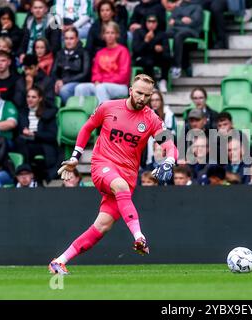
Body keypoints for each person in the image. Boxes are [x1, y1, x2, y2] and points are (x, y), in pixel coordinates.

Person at [48, 74, 178, 275]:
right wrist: (75, 157)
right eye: (139, 92)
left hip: (127, 176)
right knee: (120, 186)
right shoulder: (108, 107)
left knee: (102, 226)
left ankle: (59, 261)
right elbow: (87, 128)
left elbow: (170, 145)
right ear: (130, 90)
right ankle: (139, 237)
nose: (142, 98)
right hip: (103, 166)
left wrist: (169, 161)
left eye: (147, 95)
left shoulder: (151, 119)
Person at [75, 21, 131, 104]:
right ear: (103, 35)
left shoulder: (123, 51)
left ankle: (104, 116)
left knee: (101, 88)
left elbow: (123, 75)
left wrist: (103, 81)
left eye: (112, 33)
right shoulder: (100, 53)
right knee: (80, 88)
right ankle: (82, 114)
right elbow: (95, 72)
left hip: (120, 86)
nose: (110, 35)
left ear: (117, 35)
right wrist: (97, 80)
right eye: (107, 33)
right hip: (101, 84)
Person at [15, 86, 59, 183]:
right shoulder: (22, 112)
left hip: (42, 144)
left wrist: (34, 134)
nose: (30, 99)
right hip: (25, 142)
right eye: (28, 97)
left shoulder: (48, 114)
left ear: (40, 98)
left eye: (33, 97)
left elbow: (52, 136)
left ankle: (31, 177)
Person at [51, 27, 91, 105]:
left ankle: (70, 110)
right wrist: (57, 81)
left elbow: (85, 73)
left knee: (64, 90)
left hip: (78, 82)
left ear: (77, 39)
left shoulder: (84, 52)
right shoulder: (60, 53)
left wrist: (64, 81)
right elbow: (53, 71)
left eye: (71, 38)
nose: (68, 41)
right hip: (61, 82)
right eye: (66, 38)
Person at [132, 14, 171, 92]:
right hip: (142, 57)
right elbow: (136, 50)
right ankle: (152, 84)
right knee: (148, 62)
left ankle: (163, 81)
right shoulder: (138, 32)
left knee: (167, 57)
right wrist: (146, 41)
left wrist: (161, 49)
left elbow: (167, 49)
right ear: (146, 22)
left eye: (154, 22)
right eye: (149, 21)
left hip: (156, 57)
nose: (151, 24)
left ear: (157, 23)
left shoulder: (162, 34)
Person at [166, 0, 203, 79]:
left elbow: (194, 22)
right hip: (177, 29)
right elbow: (171, 21)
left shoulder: (197, 7)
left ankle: (176, 66)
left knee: (178, 36)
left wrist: (176, 22)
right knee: (164, 34)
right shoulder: (178, 7)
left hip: (192, 31)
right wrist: (181, 21)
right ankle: (166, 62)